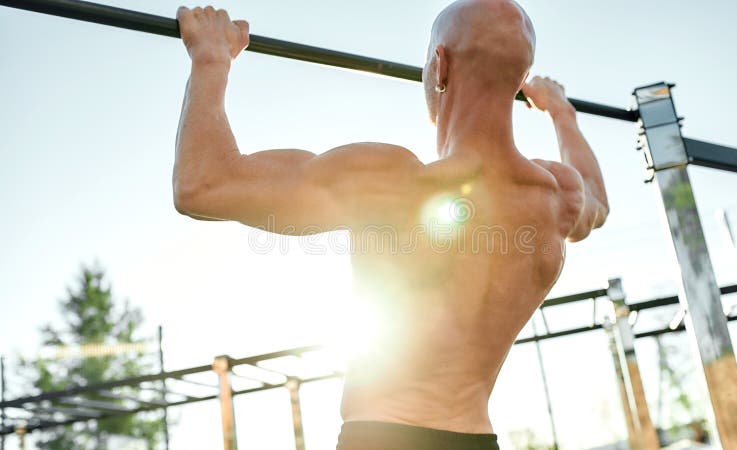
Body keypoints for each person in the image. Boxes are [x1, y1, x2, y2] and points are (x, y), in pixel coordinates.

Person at [174, 0, 608, 448]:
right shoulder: (554, 198)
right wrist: (561, 112)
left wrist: (211, 57)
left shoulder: (396, 184)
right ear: (519, 81)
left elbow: (203, 184)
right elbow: (596, 198)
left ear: (440, 66)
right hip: (478, 440)